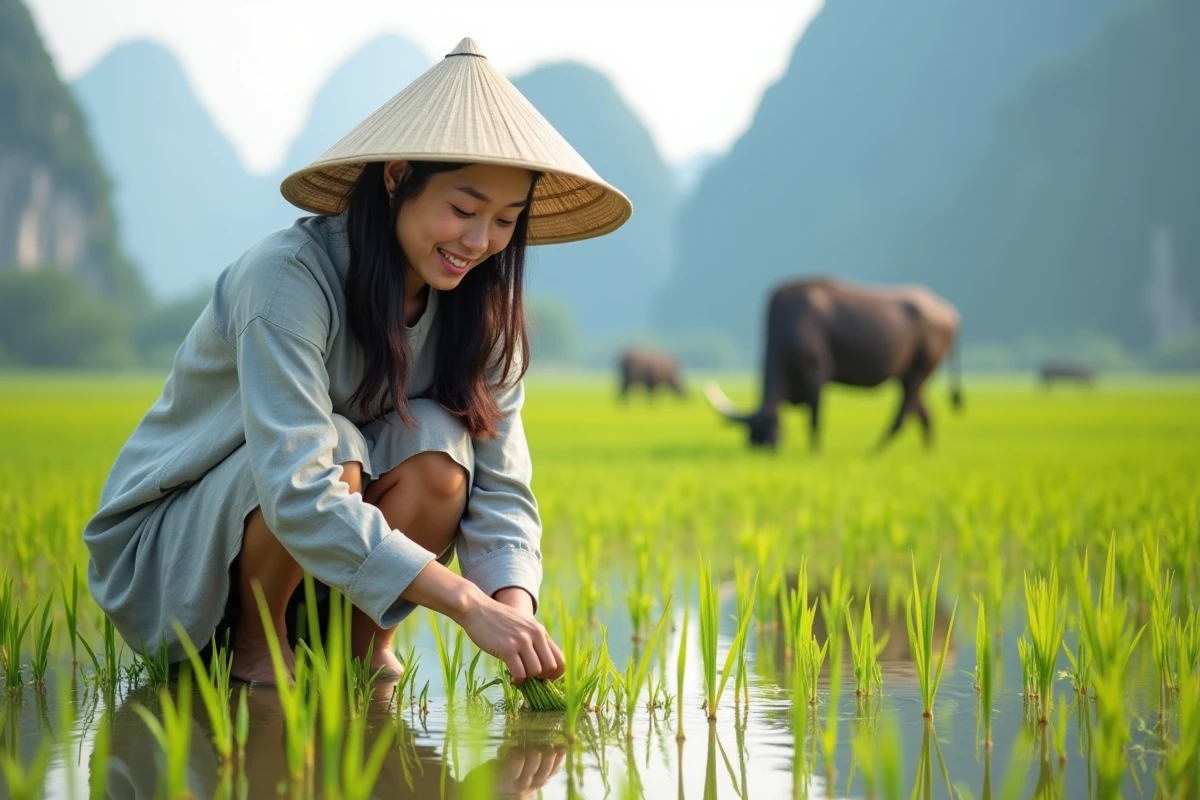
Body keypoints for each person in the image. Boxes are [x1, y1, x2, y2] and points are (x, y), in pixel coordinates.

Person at [81, 37, 632, 684]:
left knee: (443, 452)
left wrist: (513, 617)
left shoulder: (486, 318)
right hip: (180, 559)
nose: (481, 242)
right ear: (397, 178)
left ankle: (360, 651)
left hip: (330, 563)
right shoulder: (286, 281)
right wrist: (466, 604)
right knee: (334, 444)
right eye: (463, 209)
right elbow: (298, 484)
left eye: (507, 220)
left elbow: (502, 485)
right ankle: (257, 650)